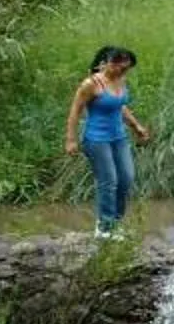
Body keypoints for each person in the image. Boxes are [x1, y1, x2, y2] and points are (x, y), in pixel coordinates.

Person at [66, 46, 153, 236]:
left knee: (126, 178)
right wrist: (71, 140)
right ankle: (104, 227)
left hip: (119, 138)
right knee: (108, 181)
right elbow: (75, 111)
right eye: (121, 68)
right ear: (108, 63)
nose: (123, 72)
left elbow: (119, 106)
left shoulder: (120, 80)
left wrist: (136, 126)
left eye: (127, 68)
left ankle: (115, 222)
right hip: (96, 140)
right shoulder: (91, 84)